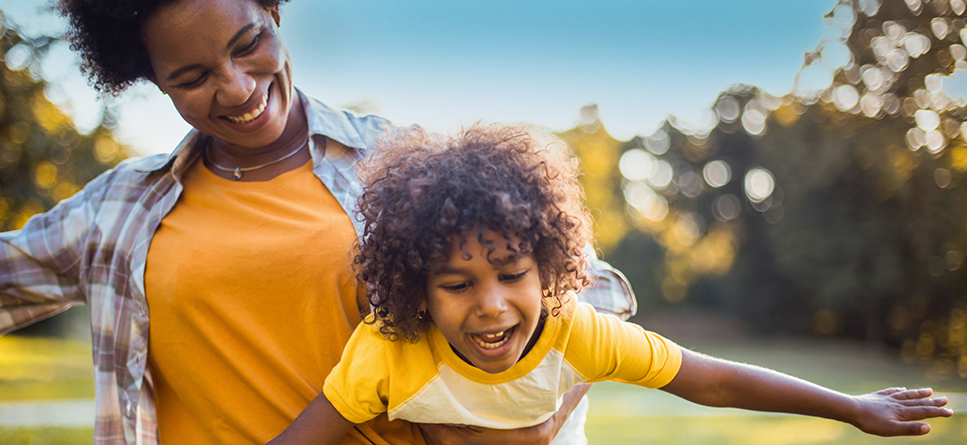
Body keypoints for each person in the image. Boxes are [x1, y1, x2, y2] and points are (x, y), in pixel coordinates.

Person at [0, 1, 635, 444]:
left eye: (247, 44)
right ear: (151, 80)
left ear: (276, 12)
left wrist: (538, 412)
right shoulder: (117, 210)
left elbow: (596, 291)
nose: (235, 89)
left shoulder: (395, 160)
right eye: (191, 78)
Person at [265, 125, 954, 445]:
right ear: (417, 289)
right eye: (457, 283)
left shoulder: (577, 331)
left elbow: (708, 379)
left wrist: (852, 406)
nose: (493, 303)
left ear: (548, 267)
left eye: (512, 274)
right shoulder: (384, 350)